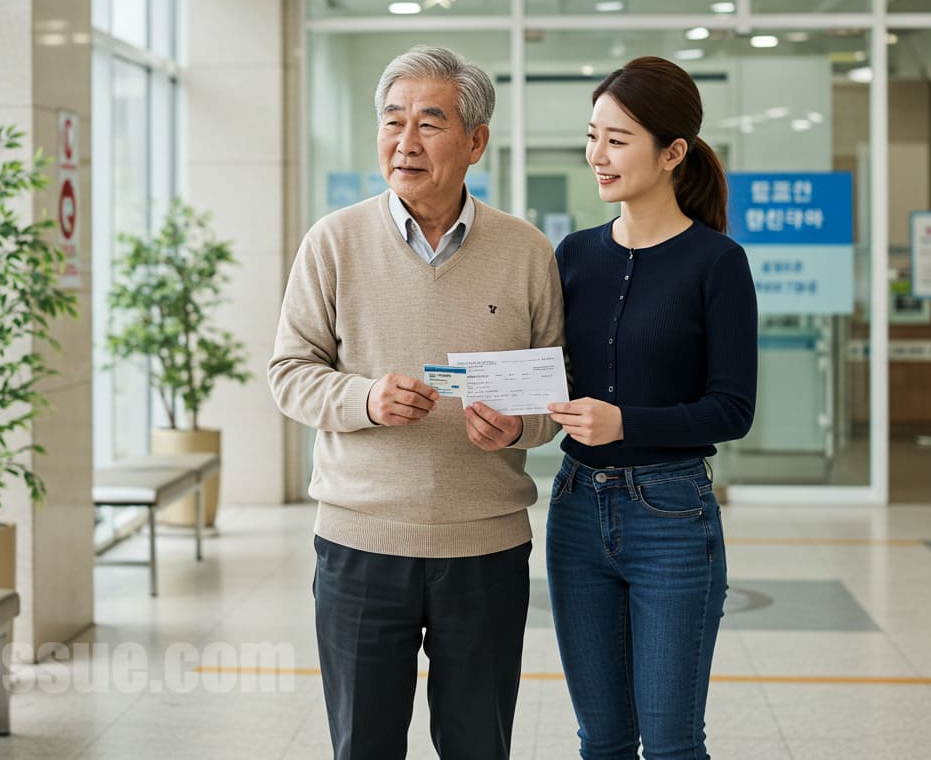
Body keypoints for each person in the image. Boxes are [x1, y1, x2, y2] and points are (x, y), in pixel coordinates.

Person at [268, 45, 564, 760]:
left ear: (475, 142)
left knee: (479, 745)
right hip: (360, 542)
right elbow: (289, 374)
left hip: (486, 547)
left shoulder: (526, 251)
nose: (405, 142)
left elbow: (551, 399)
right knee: (364, 745)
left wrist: (518, 425)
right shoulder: (332, 242)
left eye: (429, 123)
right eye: (392, 120)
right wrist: (365, 398)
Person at [545, 56, 758, 760]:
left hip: (671, 516)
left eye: (617, 140)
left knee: (670, 745)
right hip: (576, 509)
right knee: (602, 741)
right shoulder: (573, 255)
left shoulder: (717, 262)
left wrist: (626, 422)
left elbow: (732, 409)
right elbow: (548, 374)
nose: (597, 156)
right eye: (592, 136)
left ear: (672, 153)